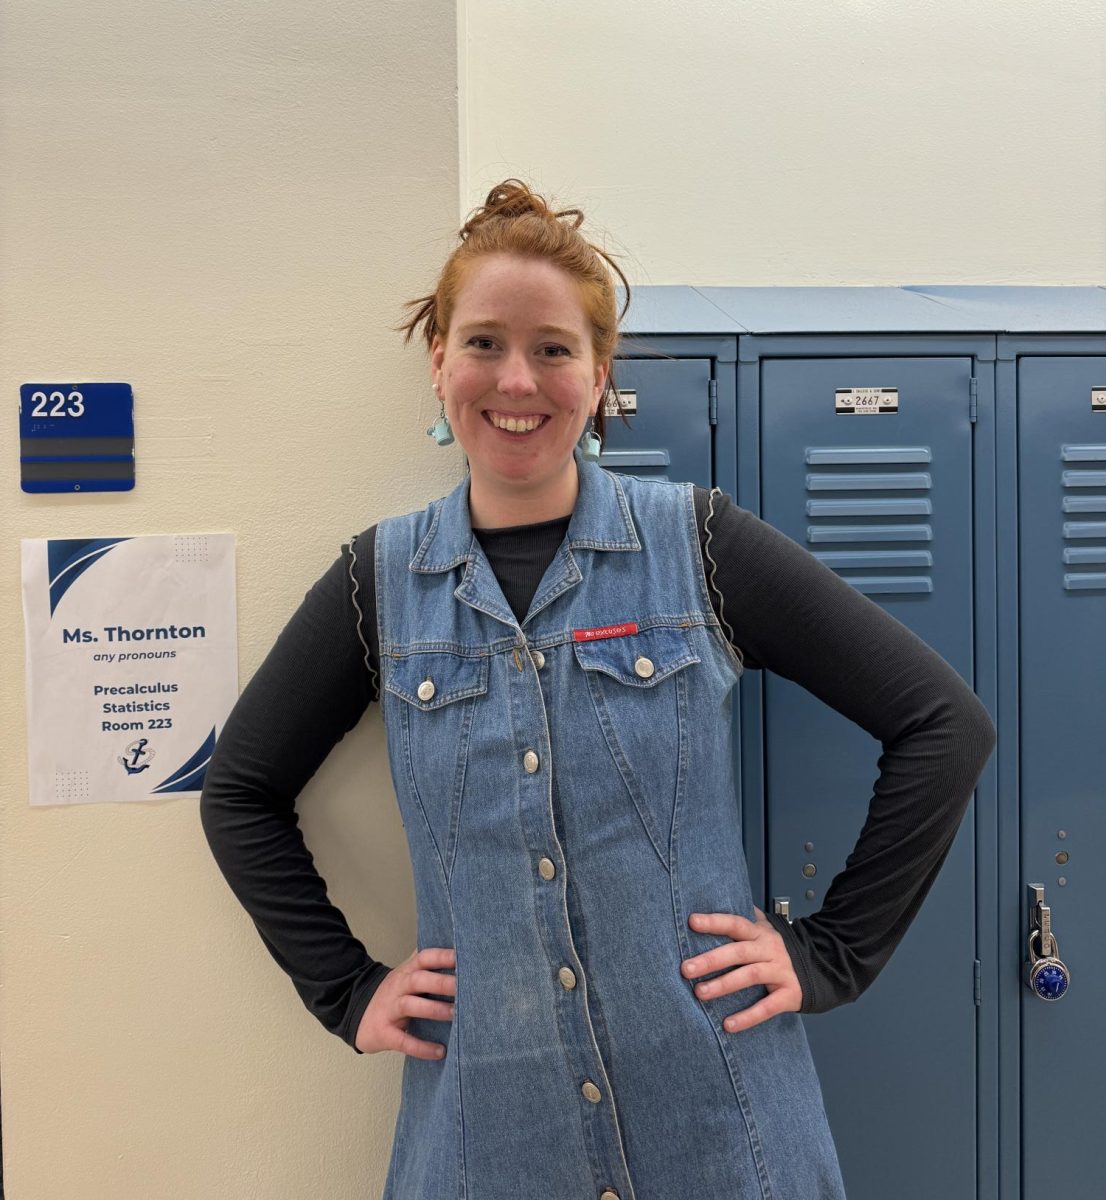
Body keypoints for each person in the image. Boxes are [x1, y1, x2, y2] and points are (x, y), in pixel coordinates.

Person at [200, 179, 997, 1199]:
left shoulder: (697, 544)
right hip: (490, 1140)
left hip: (718, 1129)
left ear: (597, 373)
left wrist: (829, 954)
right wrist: (345, 990)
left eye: (552, 348)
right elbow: (241, 792)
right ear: (437, 361)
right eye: (483, 342)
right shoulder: (379, 583)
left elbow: (942, 726)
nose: (516, 379)